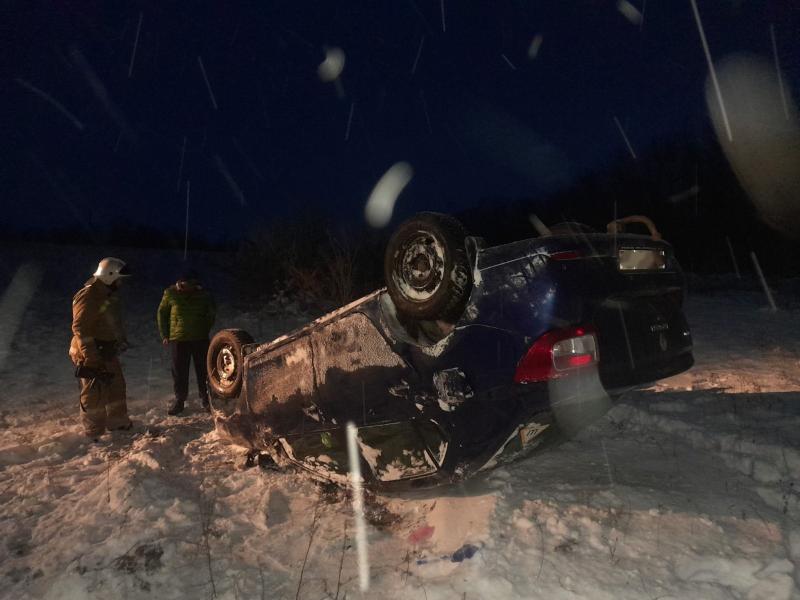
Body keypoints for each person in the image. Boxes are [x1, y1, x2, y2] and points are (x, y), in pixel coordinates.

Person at [69, 257, 133, 440]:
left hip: (106, 349)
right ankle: (93, 432)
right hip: (90, 351)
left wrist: (119, 339)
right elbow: (80, 328)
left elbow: (110, 322)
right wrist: (90, 356)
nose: (121, 283)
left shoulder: (106, 295)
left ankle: (118, 423)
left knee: (116, 386)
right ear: (109, 276)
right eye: (119, 279)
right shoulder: (88, 295)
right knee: (94, 393)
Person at [157, 269, 216, 415]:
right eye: (185, 283)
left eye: (191, 283)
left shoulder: (204, 295)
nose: (188, 286)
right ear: (180, 282)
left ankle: (206, 399)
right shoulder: (170, 294)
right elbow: (162, 314)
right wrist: (165, 334)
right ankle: (180, 400)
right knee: (179, 372)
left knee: (204, 371)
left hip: (200, 338)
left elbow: (211, 313)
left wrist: (204, 328)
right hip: (179, 339)